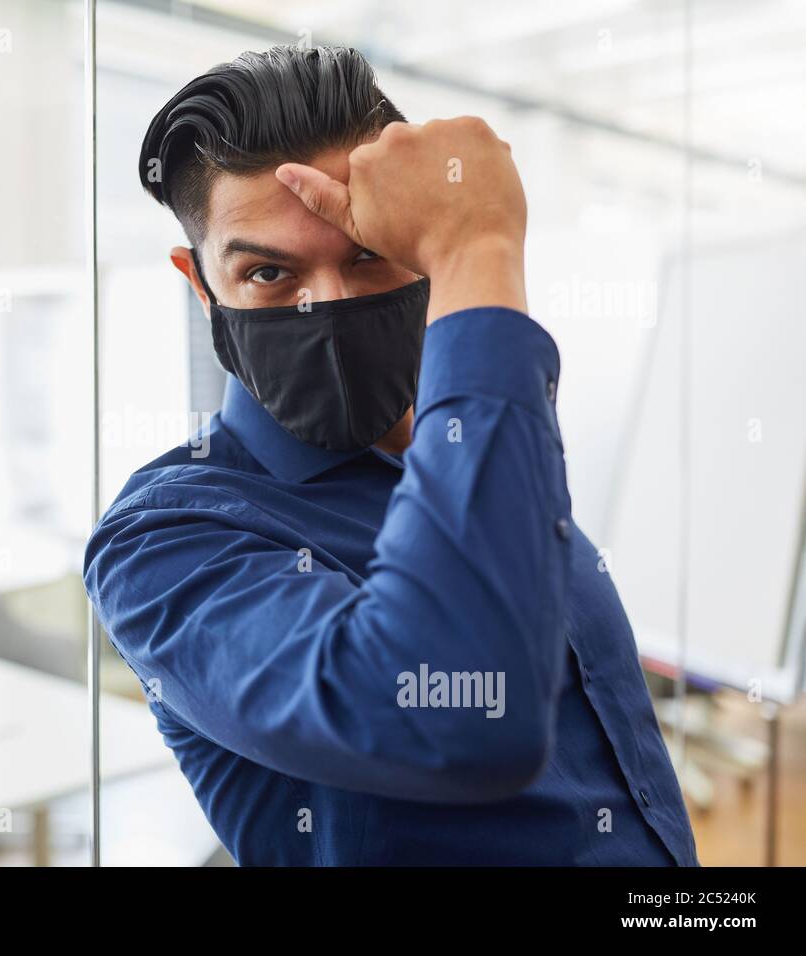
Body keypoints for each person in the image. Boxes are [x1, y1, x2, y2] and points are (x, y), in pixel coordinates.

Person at [83, 45, 699, 866]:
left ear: (409, 243)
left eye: (366, 255)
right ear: (201, 288)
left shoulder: (476, 439)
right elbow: (466, 720)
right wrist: (478, 251)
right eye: (269, 272)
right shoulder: (164, 541)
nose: (328, 308)